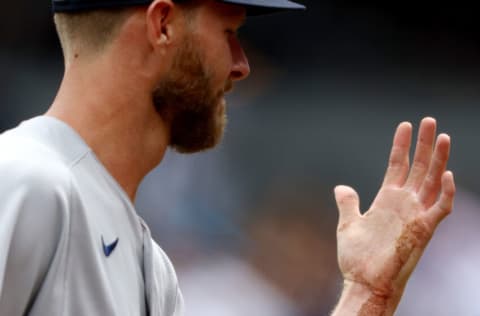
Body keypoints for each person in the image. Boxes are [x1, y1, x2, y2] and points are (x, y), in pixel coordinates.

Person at [0, 0, 455, 315]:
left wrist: (366, 297)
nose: (242, 64)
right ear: (162, 25)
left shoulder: (148, 262)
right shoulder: (25, 177)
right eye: (229, 32)